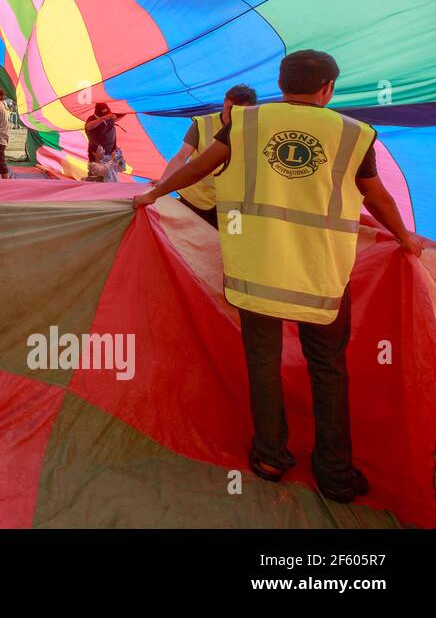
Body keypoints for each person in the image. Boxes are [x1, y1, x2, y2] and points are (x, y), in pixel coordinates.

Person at [132, 50, 425, 504]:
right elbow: (377, 197)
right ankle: (335, 474)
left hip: (256, 272)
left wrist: (154, 192)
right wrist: (405, 237)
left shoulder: (247, 123)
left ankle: (269, 456)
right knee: (328, 370)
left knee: (262, 365)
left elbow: (200, 166)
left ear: (282, 83)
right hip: (321, 276)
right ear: (327, 88)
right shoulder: (354, 133)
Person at [159, 85, 258, 227]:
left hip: (230, 204)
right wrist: (163, 180)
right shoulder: (202, 124)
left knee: (226, 244)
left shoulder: (255, 129)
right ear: (225, 102)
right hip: (194, 199)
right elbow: (181, 157)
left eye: (240, 111)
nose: (233, 114)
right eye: (230, 108)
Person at [84, 102, 127, 175]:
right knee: (98, 179)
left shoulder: (110, 118)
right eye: (104, 115)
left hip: (112, 154)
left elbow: (124, 112)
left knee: (113, 175)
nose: (107, 116)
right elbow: (88, 127)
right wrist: (103, 118)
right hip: (99, 157)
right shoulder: (92, 119)